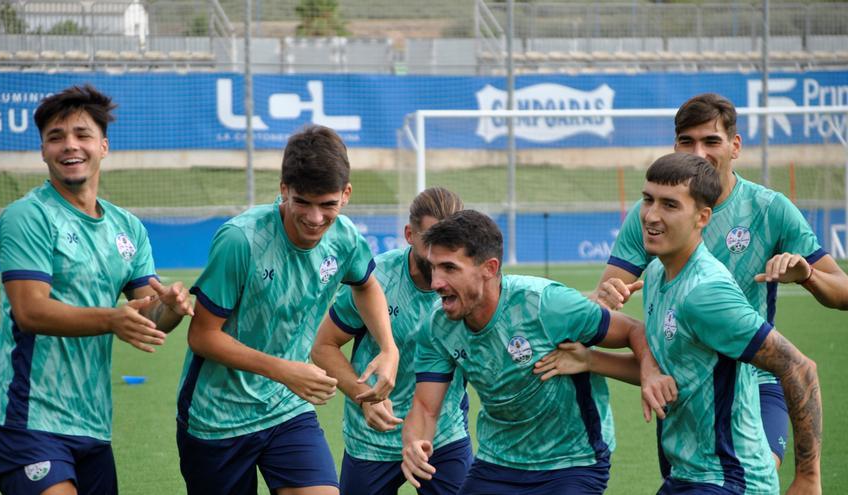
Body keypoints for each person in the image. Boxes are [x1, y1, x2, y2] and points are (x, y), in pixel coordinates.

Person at [593, 93, 848, 467]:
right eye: (687, 141)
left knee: (751, 478)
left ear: (735, 146)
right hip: (686, 387)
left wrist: (807, 275)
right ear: (675, 146)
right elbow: (605, 306)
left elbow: (842, 293)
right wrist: (607, 296)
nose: (699, 152)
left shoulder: (768, 209)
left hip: (755, 380)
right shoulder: (652, 211)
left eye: (711, 141)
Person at [555, 153, 822, 493]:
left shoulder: (706, 293)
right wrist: (590, 360)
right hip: (688, 475)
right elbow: (680, 374)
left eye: (670, 205)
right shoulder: (655, 274)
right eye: (647, 200)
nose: (651, 215)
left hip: (729, 480)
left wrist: (808, 477)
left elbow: (800, 368)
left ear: (702, 217)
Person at [0, 84, 194, 495]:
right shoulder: (28, 216)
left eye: (81, 135)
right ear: (43, 151)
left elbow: (147, 317)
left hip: (93, 424)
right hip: (28, 418)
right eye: (55, 138)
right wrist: (112, 319)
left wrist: (170, 307)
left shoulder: (127, 228)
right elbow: (30, 311)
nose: (69, 146)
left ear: (103, 145)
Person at [177, 125, 399, 495]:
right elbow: (202, 336)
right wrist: (285, 371)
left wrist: (388, 348)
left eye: (328, 204)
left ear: (346, 195)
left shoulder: (345, 238)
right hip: (217, 418)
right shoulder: (240, 240)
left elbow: (367, 285)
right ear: (284, 189)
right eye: (303, 202)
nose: (315, 218)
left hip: (287, 411)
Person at [400, 210, 675, 495]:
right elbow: (424, 407)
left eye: (449, 268)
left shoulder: (545, 305)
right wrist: (413, 442)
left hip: (572, 460)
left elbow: (633, 330)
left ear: (490, 268)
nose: (435, 283)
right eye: (434, 268)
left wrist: (650, 372)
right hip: (498, 460)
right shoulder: (437, 325)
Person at [311, 187, 472, 495]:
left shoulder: (469, 282)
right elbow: (323, 346)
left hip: (442, 435)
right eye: (431, 240)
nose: (441, 253)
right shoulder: (376, 280)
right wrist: (364, 396)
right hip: (373, 439)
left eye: (452, 242)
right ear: (409, 234)